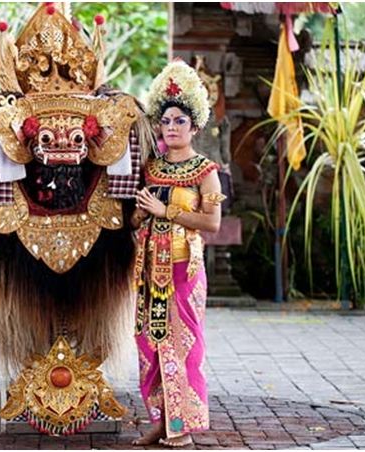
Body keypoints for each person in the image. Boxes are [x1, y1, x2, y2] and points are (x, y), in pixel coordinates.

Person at [129, 59, 222, 448]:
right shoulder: (151, 168)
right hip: (150, 269)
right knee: (150, 343)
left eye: (179, 121)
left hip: (184, 268)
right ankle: (160, 420)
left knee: (184, 344)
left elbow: (212, 222)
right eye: (166, 121)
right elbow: (136, 215)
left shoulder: (205, 171)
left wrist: (167, 212)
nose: (171, 127)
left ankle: (181, 426)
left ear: (195, 126)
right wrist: (139, 213)